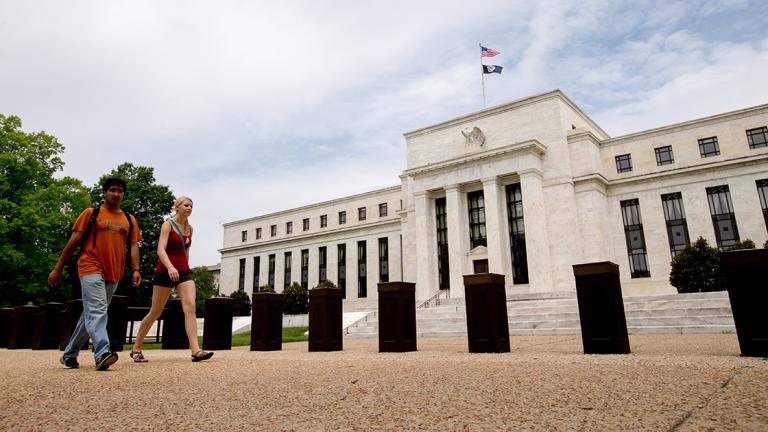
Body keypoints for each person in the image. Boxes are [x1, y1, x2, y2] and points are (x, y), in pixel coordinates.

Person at [49, 176, 142, 371]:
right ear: (104, 192)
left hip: (114, 271)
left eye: (119, 191)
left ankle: (69, 354)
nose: (116, 194)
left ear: (123, 194)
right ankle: (102, 353)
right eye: (112, 190)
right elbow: (73, 242)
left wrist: (135, 270)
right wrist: (58, 269)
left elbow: (134, 246)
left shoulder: (129, 220)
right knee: (98, 310)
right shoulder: (91, 213)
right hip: (89, 265)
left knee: (90, 314)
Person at [130, 196, 213, 362]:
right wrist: (170, 267)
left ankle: (196, 351)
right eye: (186, 205)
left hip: (183, 271)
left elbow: (186, 252)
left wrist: (185, 268)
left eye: (191, 205)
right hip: (165, 270)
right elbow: (160, 250)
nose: (189, 208)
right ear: (177, 207)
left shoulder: (190, 229)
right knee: (155, 311)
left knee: (190, 307)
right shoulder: (167, 225)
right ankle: (136, 347)